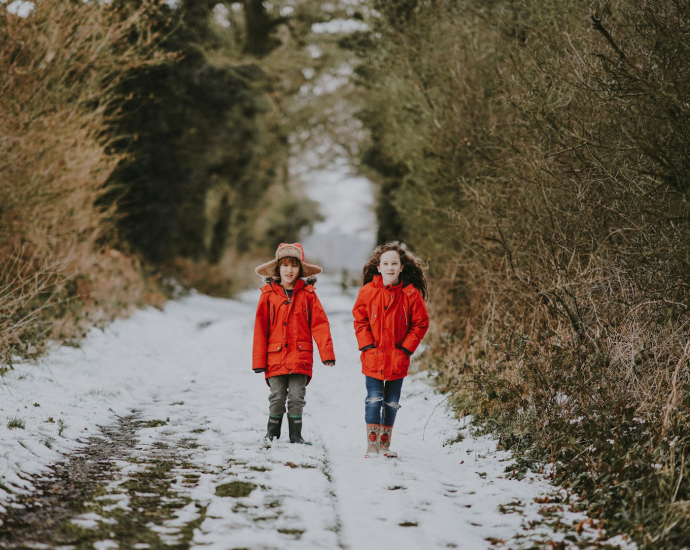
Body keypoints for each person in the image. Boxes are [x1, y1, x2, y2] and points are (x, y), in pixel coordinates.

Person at [352, 241, 429, 458]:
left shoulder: (411, 294)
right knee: (374, 399)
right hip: (373, 357)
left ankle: (384, 447)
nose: (390, 268)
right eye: (385, 263)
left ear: (401, 267)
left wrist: (405, 349)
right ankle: (372, 446)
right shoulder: (367, 292)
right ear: (378, 267)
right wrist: (367, 345)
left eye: (394, 263)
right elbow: (360, 319)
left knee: (391, 403)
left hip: (397, 358)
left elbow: (421, 323)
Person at [253, 243, 335, 444]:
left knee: (297, 397)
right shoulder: (268, 295)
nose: (289, 270)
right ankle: (272, 432)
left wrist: (327, 354)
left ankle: (296, 435)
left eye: (294, 266)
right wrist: (258, 361)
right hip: (275, 356)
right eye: (285, 265)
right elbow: (260, 329)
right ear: (277, 269)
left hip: (301, 356)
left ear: (300, 270)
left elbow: (320, 325)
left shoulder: (308, 295)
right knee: (277, 396)